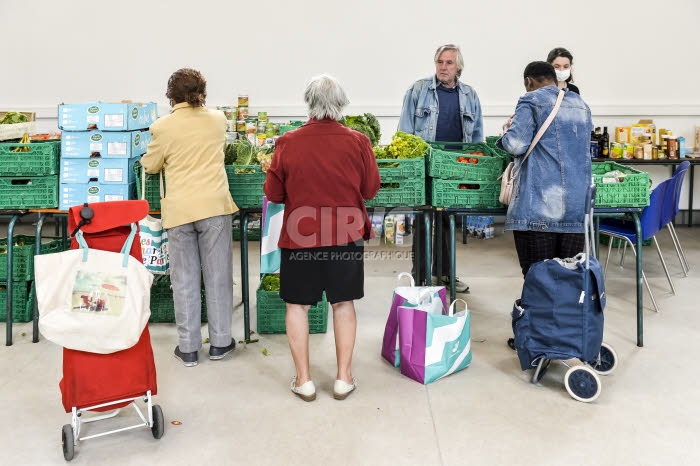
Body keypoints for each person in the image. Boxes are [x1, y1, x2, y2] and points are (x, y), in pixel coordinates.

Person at [263, 74, 380, 402]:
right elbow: (370, 189)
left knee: (297, 307)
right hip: (345, 234)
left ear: (309, 103)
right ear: (341, 104)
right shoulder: (358, 141)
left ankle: (304, 381)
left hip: (301, 238)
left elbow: (273, 193)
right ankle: (343, 378)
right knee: (343, 304)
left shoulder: (287, 142)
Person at [142, 68, 237, 367]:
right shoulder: (218, 120)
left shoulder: (162, 127)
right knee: (218, 277)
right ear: (202, 93)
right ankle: (221, 343)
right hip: (214, 208)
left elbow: (151, 165)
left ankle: (188, 348)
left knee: (183, 280)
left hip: (180, 211)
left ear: (171, 96)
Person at [398, 44, 483, 293]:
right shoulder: (418, 90)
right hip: (425, 166)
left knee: (447, 222)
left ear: (459, 67)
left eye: (449, 63)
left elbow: (476, 136)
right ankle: (420, 277)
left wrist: (474, 165)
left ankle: (446, 275)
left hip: (454, 169)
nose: (443, 67)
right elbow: (405, 130)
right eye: (440, 62)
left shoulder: (469, 95)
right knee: (423, 219)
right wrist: (409, 166)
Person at [498, 61, 592, 277]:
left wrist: (507, 131)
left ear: (528, 81)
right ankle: (563, 312)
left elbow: (515, 145)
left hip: (539, 206)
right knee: (568, 278)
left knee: (538, 278)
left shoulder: (531, 100)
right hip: (576, 208)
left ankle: (537, 312)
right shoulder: (581, 105)